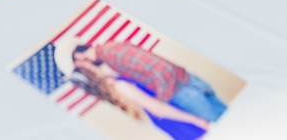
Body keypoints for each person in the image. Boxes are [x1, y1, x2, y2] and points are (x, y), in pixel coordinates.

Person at [67, 39, 226, 138]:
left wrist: (162, 101)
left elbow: (161, 70)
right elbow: (155, 104)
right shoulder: (110, 63)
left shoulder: (112, 53)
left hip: (182, 92)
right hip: (179, 100)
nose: (84, 66)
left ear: (79, 56)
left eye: (79, 64)